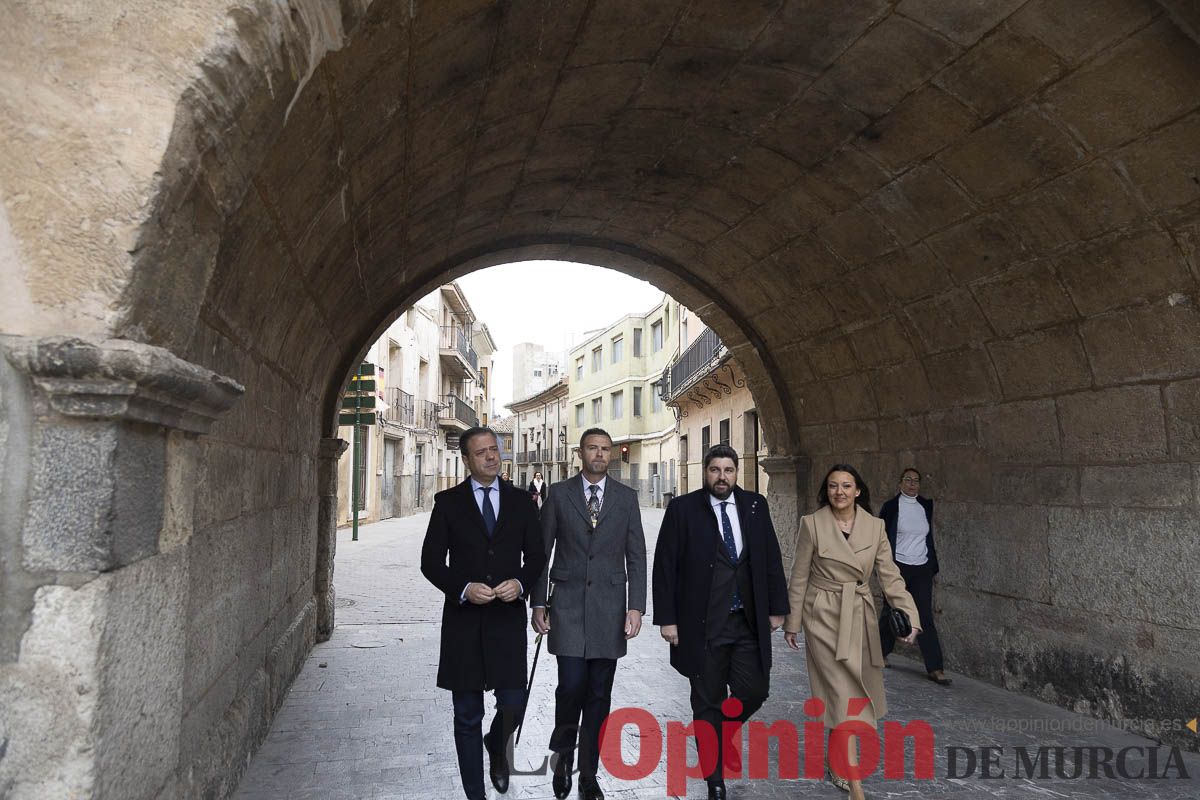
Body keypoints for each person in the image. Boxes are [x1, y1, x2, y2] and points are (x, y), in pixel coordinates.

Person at [652, 445, 789, 800]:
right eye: (715, 470)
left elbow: (770, 558)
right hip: (702, 625)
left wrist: (777, 608)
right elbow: (665, 566)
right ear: (705, 472)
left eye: (728, 470)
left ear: (737, 472)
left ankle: (717, 734)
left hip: (747, 621)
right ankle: (714, 779)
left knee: (755, 690)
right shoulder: (683, 509)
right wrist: (667, 620)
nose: (722, 477)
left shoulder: (755, 506)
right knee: (707, 701)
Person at [420, 427, 547, 800]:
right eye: (482, 452)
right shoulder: (448, 503)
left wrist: (521, 583)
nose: (491, 457)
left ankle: (496, 744)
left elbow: (537, 556)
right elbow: (430, 562)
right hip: (463, 624)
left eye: (495, 449)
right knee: (466, 713)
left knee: (514, 704)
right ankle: (475, 794)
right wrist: (462, 588)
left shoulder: (523, 502)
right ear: (466, 460)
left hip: (506, 621)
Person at [783, 464, 920, 800]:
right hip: (823, 617)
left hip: (859, 616)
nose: (839, 492)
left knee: (845, 696)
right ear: (826, 491)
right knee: (845, 695)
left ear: (858, 490)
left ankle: (836, 760)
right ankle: (856, 785)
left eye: (846, 486)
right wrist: (793, 621)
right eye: (832, 486)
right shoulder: (812, 524)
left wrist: (911, 616)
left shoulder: (875, 527)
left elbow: (890, 576)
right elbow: (799, 576)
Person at [532, 428, 647, 800]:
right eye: (592, 448)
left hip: (610, 611)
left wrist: (636, 606)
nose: (599, 454)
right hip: (565, 606)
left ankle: (589, 775)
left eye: (605, 449)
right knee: (571, 687)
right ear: (580, 452)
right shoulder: (559, 495)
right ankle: (564, 756)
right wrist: (538, 603)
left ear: (610, 455)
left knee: (599, 694)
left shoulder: (627, 499)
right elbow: (540, 553)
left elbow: (637, 556)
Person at [878, 468, 950, 685]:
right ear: (900, 483)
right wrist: (883, 566)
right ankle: (880, 652)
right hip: (897, 566)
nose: (912, 484)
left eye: (916, 481)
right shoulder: (891, 507)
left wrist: (931, 565)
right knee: (892, 610)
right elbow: (881, 537)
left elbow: (928, 537)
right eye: (908, 480)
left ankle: (935, 667)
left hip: (921, 566)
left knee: (924, 615)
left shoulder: (925, 506)